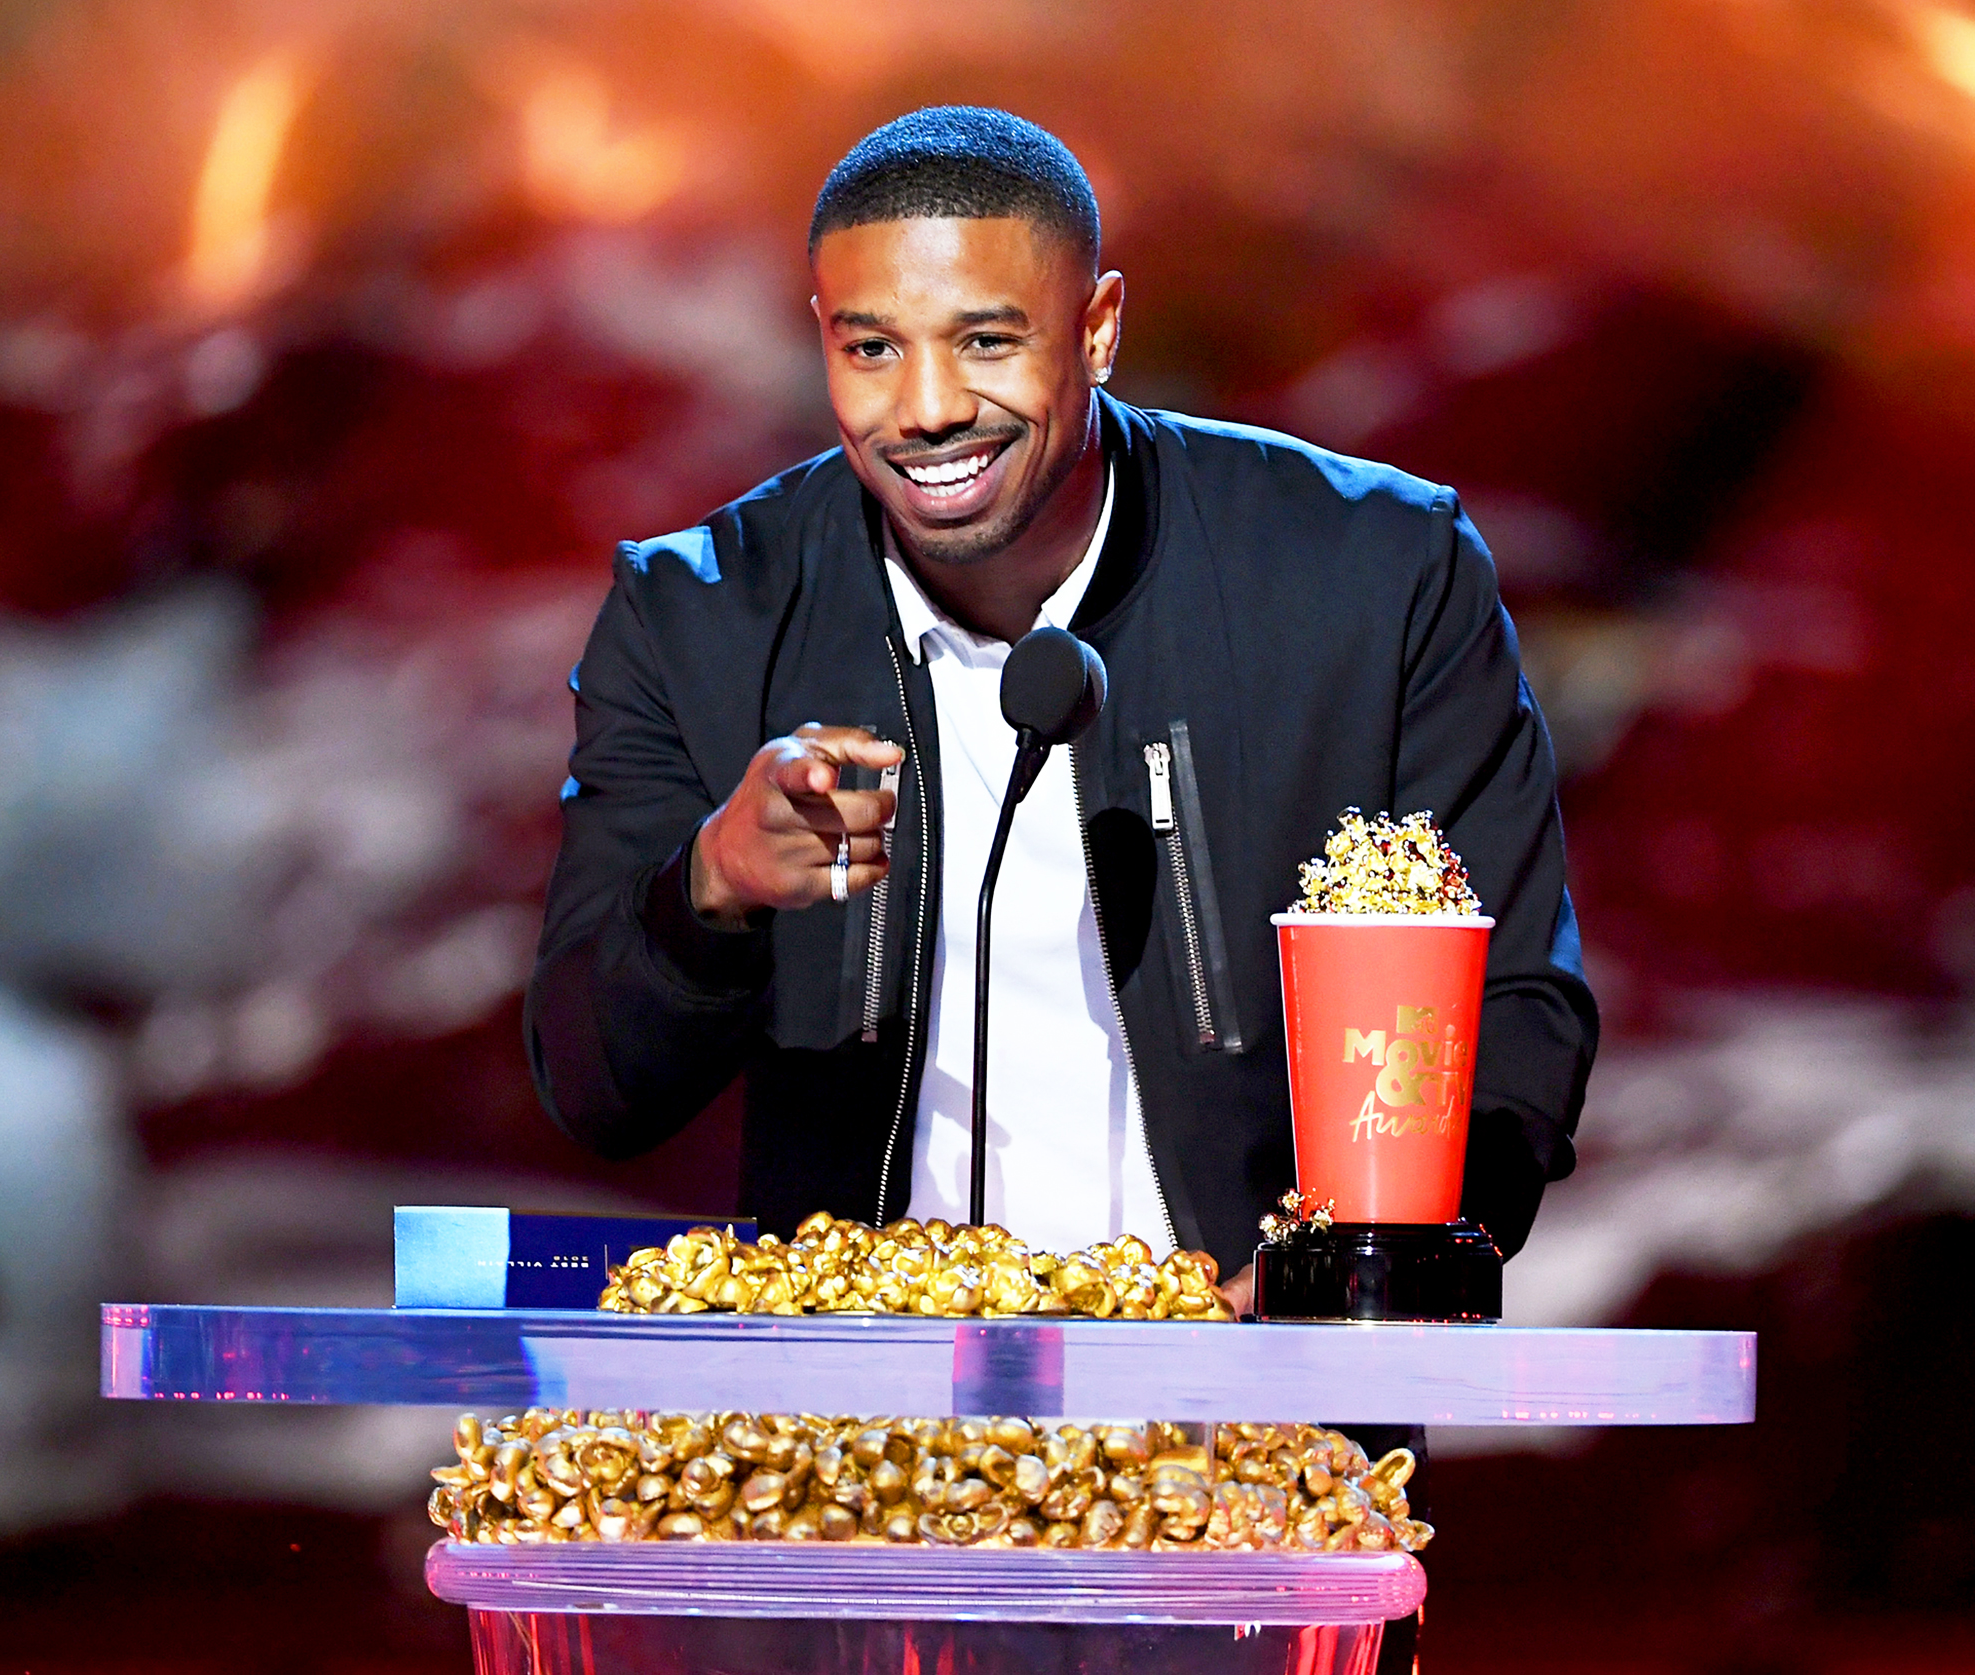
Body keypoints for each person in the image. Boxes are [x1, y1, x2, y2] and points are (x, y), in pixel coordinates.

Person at [526, 105, 1597, 1311]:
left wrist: (1319, 1288)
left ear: (1096, 329)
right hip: (863, 1405)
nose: (925, 407)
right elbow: (593, 1087)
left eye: (984, 341)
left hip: (1259, 1380)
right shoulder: (698, 616)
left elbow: (1511, 1018)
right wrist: (712, 885)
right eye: (871, 349)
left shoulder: (1370, 574)